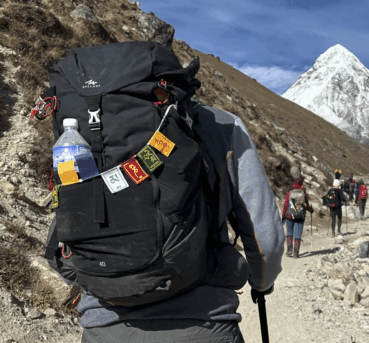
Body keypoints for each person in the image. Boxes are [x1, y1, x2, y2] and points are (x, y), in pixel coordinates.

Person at [47, 102, 284, 343]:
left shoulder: (83, 131)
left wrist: (104, 279)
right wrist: (261, 283)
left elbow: (63, 246)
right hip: (205, 324)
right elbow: (266, 241)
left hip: (105, 328)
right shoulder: (221, 123)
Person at [282, 177, 314, 258]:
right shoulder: (304, 194)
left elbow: (285, 205)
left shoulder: (289, 193)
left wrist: (283, 216)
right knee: (298, 235)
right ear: (301, 185)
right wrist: (311, 210)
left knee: (289, 232)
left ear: (293, 185)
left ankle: (289, 250)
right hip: (300, 217)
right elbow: (306, 206)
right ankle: (296, 253)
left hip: (289, 216)